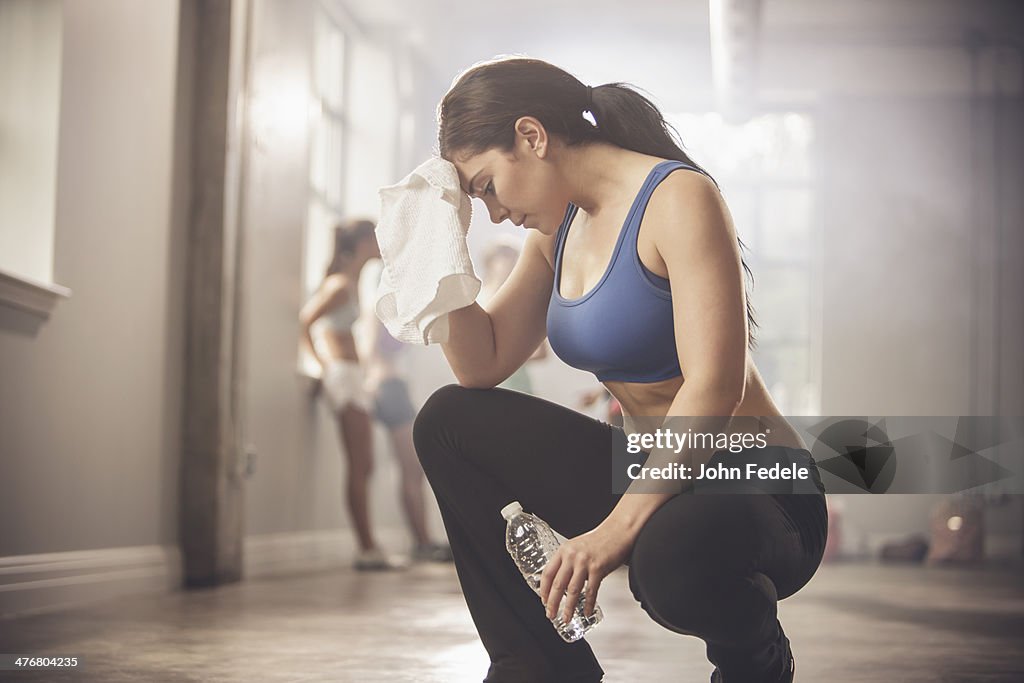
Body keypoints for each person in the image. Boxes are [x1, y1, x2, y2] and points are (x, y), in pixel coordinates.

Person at [411, 57, 826, 683]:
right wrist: (432, 251)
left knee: (668, 565)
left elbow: (716, 385)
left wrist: (612, 534)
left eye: (486, 186)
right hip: (653, 475)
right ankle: (539, 667)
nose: (491, 213)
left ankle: (757, 659)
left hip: (759, 480)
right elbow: (481, 364)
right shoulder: (558, 231)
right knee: (447, 420)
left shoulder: (677, 197)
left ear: (531, 136)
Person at [299, 219, 404, 571]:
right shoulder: (340, 284)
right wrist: (320, 366)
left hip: (353, 376)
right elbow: (306, 320)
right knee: (359, 464)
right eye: (375, 239)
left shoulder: (353, 283)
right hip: (342, 375)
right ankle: (366, 548)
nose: (380, 245)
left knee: (366, 463)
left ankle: (368, 544)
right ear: (360, 243)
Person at [358, 258, 454, 563]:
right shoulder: (378, 298)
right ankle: (422, 542)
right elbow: (370, 339)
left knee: (410, 468)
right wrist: (374, 377)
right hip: (388, 385)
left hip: (392, 383)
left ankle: (422, 540)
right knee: (411, 466)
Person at [479, 237, 548, 395]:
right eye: (504, 257)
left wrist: (502, 360)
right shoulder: (477, 297)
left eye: (513, 258)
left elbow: (541, 353)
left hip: (517, 386)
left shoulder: (524, 302)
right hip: (483, 387)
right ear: (491, 262)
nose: (510, 263)